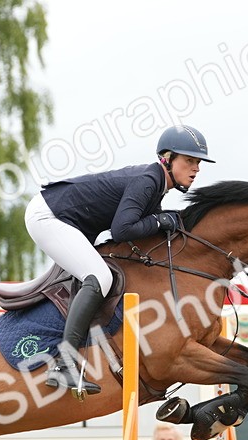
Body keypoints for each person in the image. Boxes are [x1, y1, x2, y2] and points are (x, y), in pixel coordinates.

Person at [24, 124, 214, 394]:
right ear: (167, 159)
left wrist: (165, 220)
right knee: (100, 277)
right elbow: (122, 230)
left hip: (70, 220)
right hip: (48, 216)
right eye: (189, 161)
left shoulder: (156, 186)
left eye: (198, 163)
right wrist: (162, 219)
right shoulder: (148, 181)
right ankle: (64, 364)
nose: (196, 169)